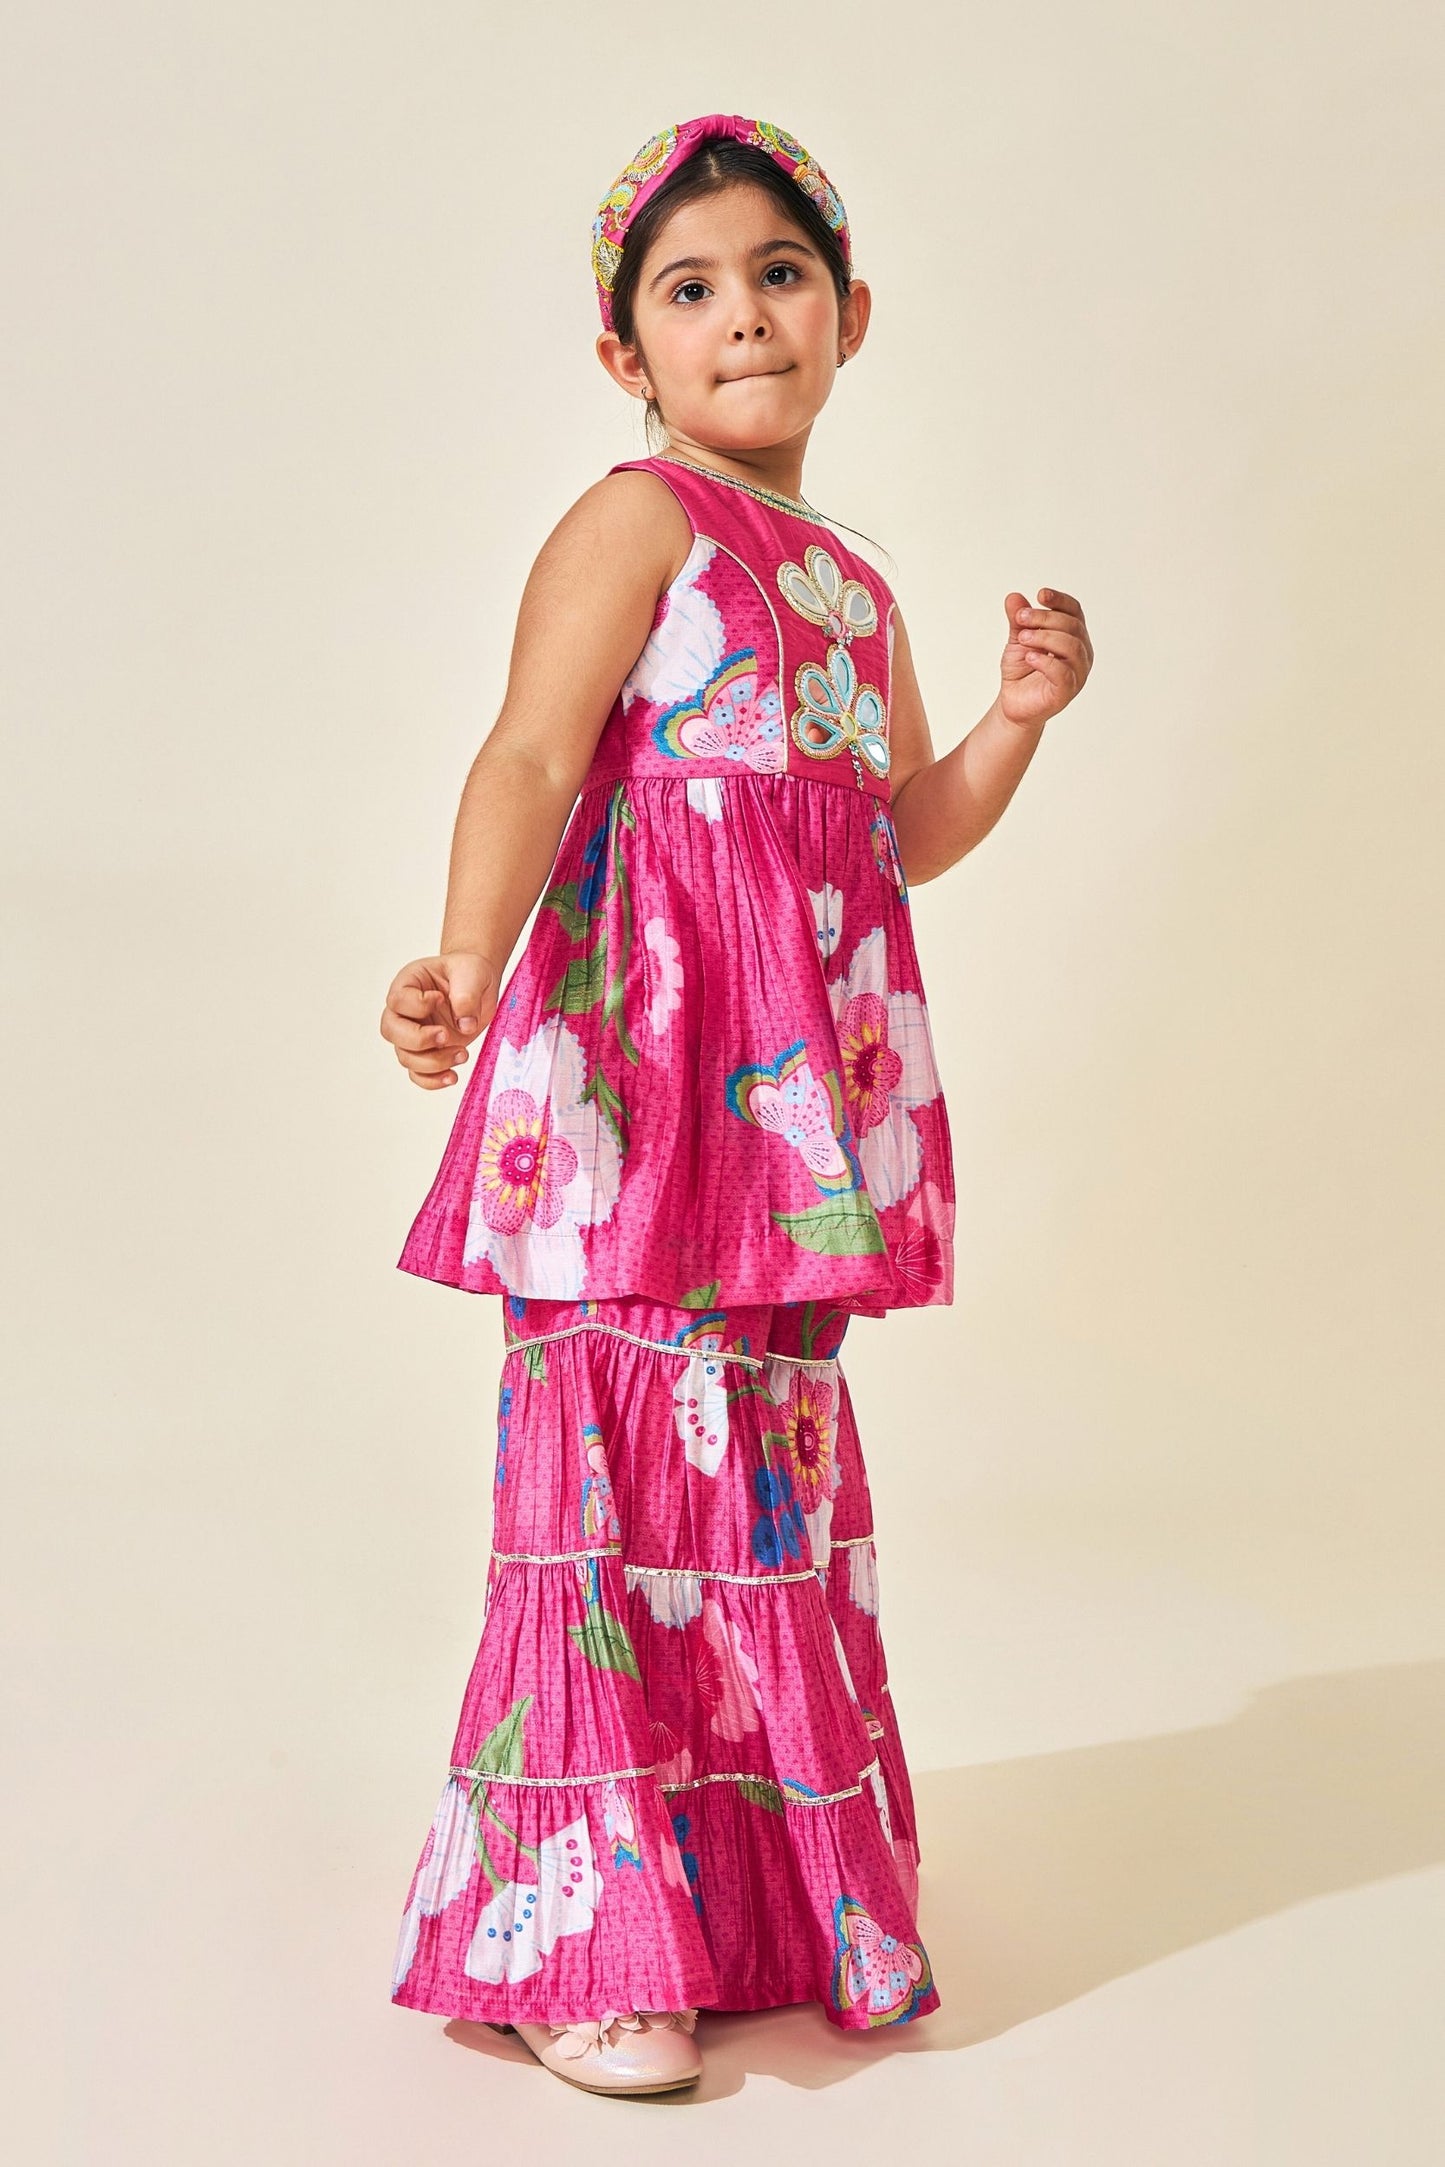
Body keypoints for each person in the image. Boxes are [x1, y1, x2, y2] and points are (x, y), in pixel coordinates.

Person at [379, 111, 1093, 2098]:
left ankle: (749, 1908)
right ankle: (571, 1941)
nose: (745, 315)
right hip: (635, 1090)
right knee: (608, 1472)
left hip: (784, 1125)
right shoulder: (640, 522)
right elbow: (532, 756)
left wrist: (1015, 723)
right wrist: (461, 959)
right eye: (691, 289)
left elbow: (896, 832)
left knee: (750, 1477)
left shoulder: (852, 583)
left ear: (850, 315)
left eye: (780, 274)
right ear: (630, 354)